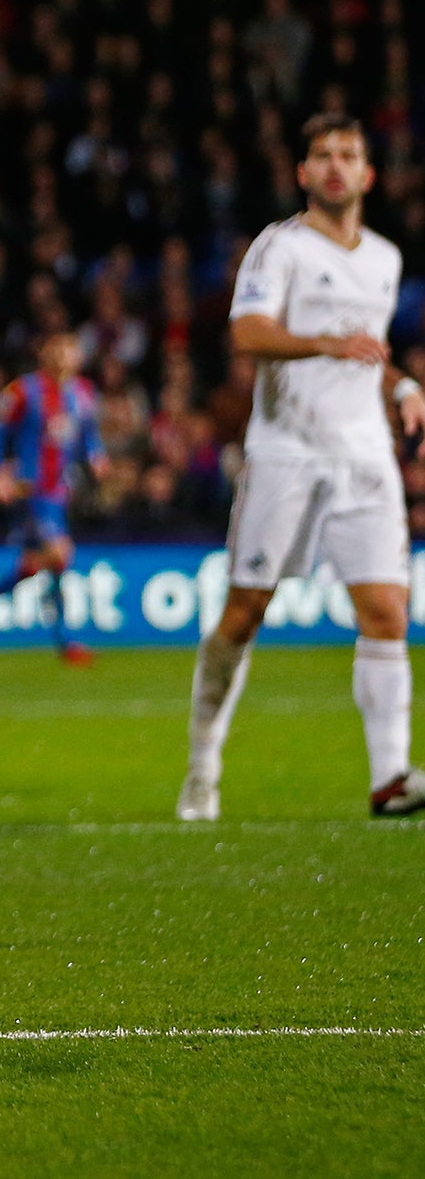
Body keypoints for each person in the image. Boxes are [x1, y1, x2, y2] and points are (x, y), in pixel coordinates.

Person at [179, 113, 425, 821]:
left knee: (385, 612)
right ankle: (203, 763)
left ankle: (388, 779)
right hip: (286, 451)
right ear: (303, 173)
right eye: (323, 155)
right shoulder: (278, 248)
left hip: (364, 455)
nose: (337, 166)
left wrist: (401, 385)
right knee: (245, 611)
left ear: (370, 174)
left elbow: (367, 350)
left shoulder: (383, 258)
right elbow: (248, 332)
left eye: (349, 155)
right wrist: (325, 343)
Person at [0, 330, 106, 667]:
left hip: (60, 491)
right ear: (45, 354)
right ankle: (66, 640)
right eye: (60, 348)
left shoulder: (83, 393)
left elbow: (89, 436)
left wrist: (96, 457)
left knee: (41, 565)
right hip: (30, 489)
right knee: (60, 554)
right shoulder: (24, 390)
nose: (67, 355)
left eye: (72, 349)